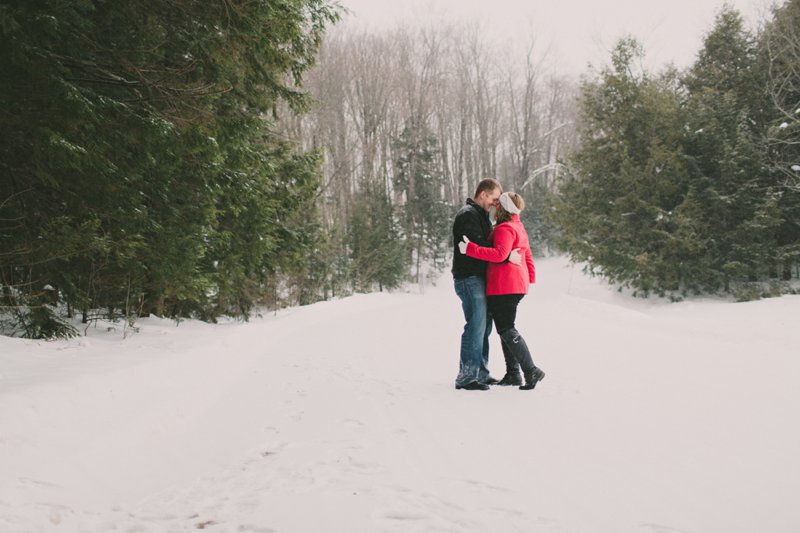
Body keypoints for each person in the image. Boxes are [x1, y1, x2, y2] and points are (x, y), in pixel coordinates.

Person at [458, 191, 545, 390]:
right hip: (515, 284)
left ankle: (530, 370)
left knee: (506, 328)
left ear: (503, 209)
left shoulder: (505, 229)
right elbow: (528, 255)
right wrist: (528, 277)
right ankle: (513, 374)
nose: (495, 207)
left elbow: (499, 255)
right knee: (505, 328)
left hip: (504, 285)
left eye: (498, 205)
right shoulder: (519, 226)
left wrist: (469, 248)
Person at [451, 178, 520, 391]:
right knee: (476, 325)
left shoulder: (481, 216)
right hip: (469, 278)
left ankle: (480, 373)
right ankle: (467, 376)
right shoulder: (468, 216)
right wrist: (506, 256)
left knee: (485, 327)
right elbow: (478, 247)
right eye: (494, 198)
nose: (495, 203)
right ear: (483, 194)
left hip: (479, 279)